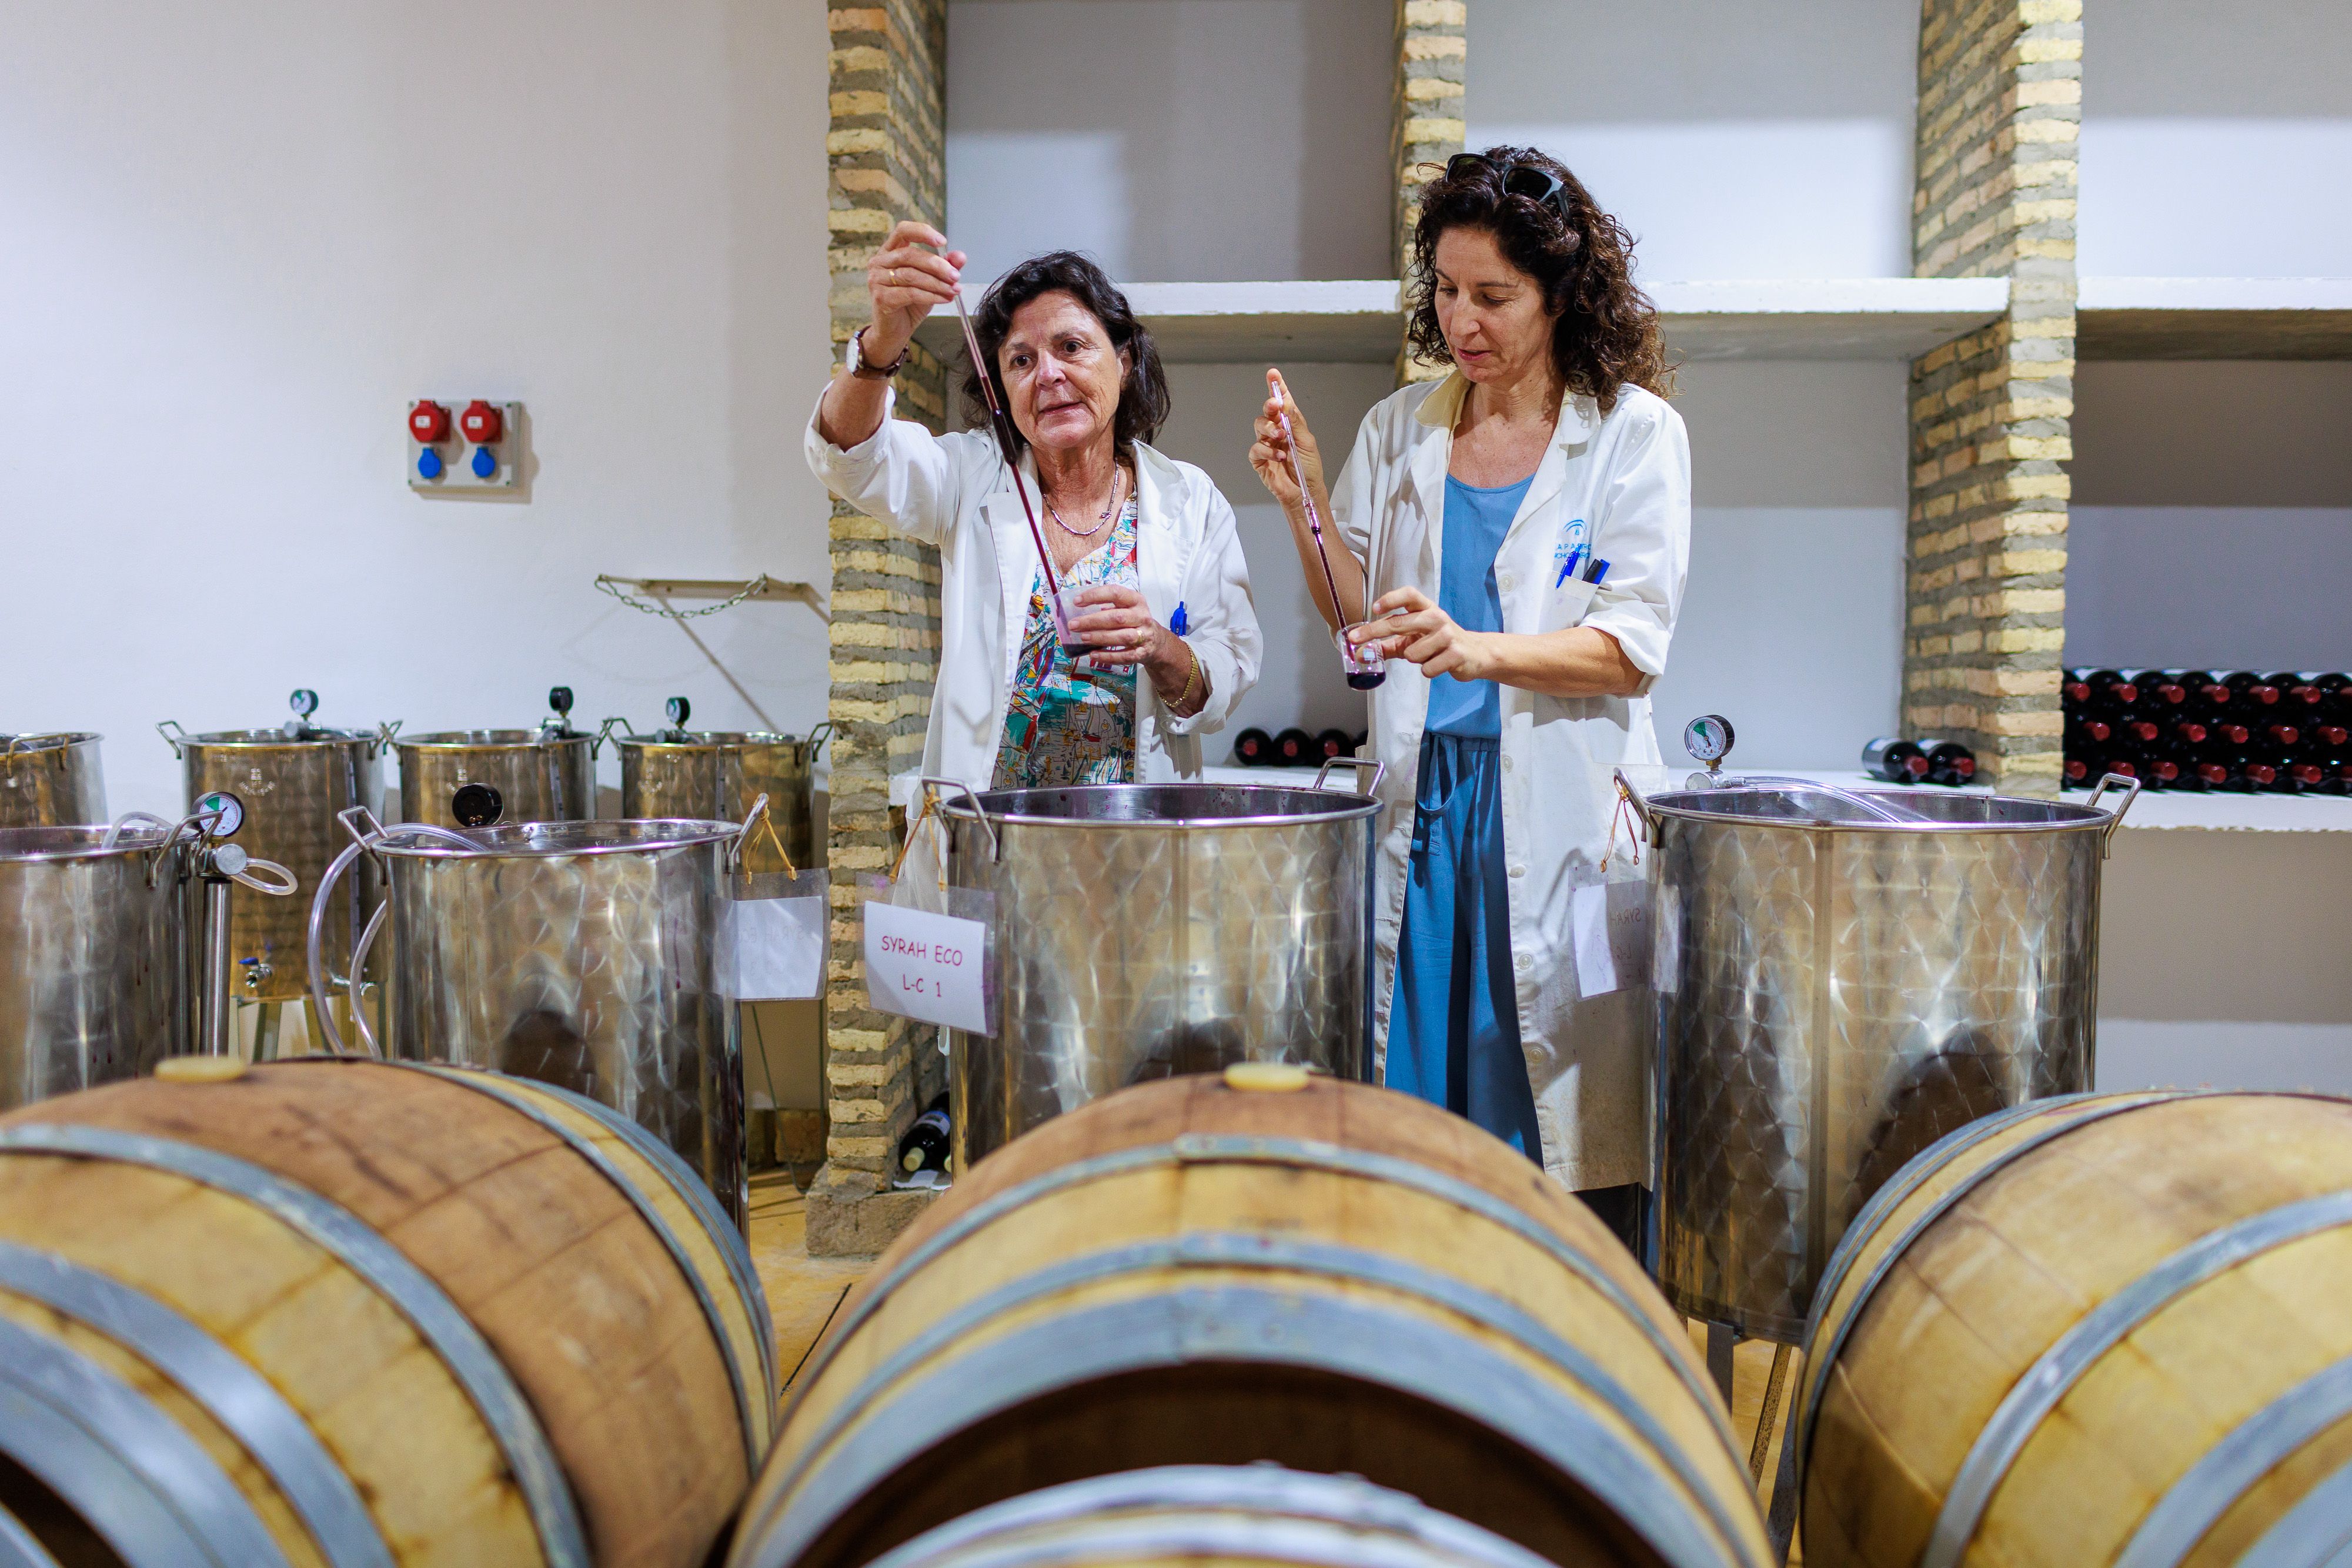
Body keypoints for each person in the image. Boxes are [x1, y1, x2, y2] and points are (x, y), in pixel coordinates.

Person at [1250, 148, 1689, 1245]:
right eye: (1445, 290)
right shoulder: (1402, 427)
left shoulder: (1633, 433)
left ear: (1562, 294)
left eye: (1493, 295)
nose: (1462, 319)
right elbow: (1358, 618)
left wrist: (1477, 650)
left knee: (1558, 1106)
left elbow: (1629, 649)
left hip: (1557, 809)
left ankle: (1564, 1344)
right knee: (1416, 1103)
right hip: (1427, 807)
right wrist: (1304, 496)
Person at [808, 226, 1261, 803]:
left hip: (1134, 845)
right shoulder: (970, 476)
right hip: (991, 844)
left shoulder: (1188, 500)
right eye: (1021, 360)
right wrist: (880, 346)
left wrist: (1158, 646)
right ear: (1002, 385)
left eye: (1071, 347)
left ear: (1123, 362)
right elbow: (849, 459)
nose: (1047, 375)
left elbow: (1230, 669)